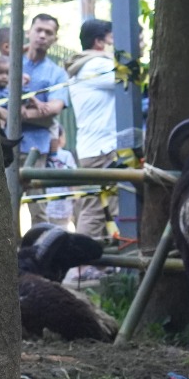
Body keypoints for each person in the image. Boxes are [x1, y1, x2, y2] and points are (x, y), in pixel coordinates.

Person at [63, 18, 122, 243]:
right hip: (102, 150)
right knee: (96, 211)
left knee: (99, 208)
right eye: (112, 40)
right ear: (99, 42)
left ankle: (92, 268)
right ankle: (79, 270)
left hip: (94, 148)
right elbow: (131, 75)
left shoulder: (86, 65)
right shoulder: (96, 66)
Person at [16, 13, 67, 157]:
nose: (42, 35)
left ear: (55, 39)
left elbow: (54, 107)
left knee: (33, 179)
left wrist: (11, 115)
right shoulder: (8, 63)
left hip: (36, 146)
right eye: (38, 30)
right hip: (1, 142)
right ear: (28, 32)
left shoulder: (58, 73)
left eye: (48, 32)